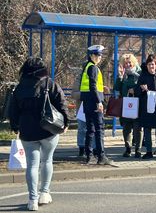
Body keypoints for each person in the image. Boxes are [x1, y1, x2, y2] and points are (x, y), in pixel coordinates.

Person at [9, 57, 69, 211]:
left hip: (27, 131)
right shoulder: (49, 83)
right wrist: (66, 123)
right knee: (47, 161)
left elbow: (13, 110)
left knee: (32, 165)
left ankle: (32, 200)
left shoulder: (20, 87)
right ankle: (44, 193)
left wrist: (15, 126)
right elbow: (62, 102)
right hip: (48, 130)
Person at [80, 45, 112, 165]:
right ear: (91, 55)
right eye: (98, 55)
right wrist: (99, 101)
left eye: (100, 55)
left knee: (90, 129)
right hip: (94, 102)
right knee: (99, 129)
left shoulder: (87, 66)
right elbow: (92, 86)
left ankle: (89, 155)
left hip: (88, 101)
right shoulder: (93, 67)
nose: (100, 57)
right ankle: (101, 156)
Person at [114, 53, 142, 158]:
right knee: (126, 128)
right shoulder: (124, 74)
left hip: (137, 104)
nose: (128, 65)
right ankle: (128, 148)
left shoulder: (140, 73)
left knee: (137, 127)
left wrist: (135, 89)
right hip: (125, 105)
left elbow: (143, 86)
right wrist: (120, 76)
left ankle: (138, 150)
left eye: (129, 62)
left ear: (133, 62)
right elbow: (117, 88)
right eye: (125, 63)